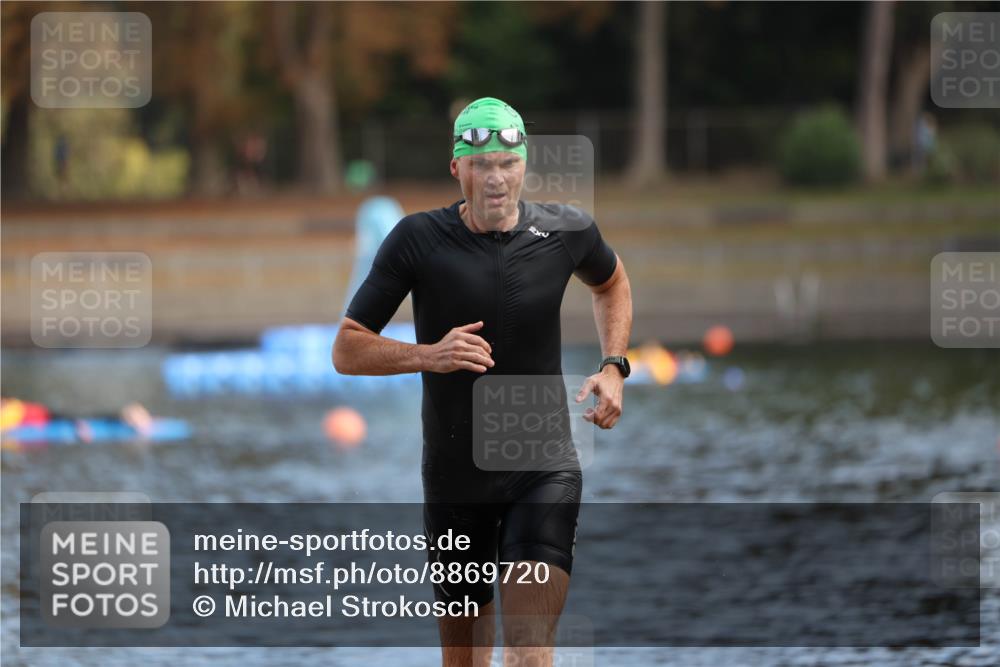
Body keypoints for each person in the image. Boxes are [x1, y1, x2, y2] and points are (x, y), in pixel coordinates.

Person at [333, 96, 633, 666]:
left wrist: (614, 366)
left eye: (507, 163)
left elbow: (612, 284)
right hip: (455, 478)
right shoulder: (417, 240)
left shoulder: (567, 231)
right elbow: (347, 348)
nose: (495, 178)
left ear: (524, 166)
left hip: (541, 465)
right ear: (457, 169)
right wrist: (429, 354)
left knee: (526, 651)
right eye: (481, 165)